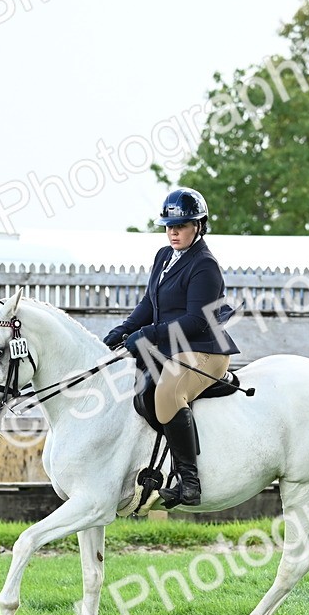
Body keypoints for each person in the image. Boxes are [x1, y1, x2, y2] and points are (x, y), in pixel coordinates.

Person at [102, 187, 239, 508]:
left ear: (198, 226)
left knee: (167, 392)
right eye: (169, 226)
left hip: (205, 350)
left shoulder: (205, 265)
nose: (173, 232)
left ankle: (190, 482)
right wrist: (125, 328)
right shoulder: (164, 256)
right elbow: (150, 303)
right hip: (171, 348)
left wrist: (148, 334)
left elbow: (196, 321)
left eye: (181, 226)